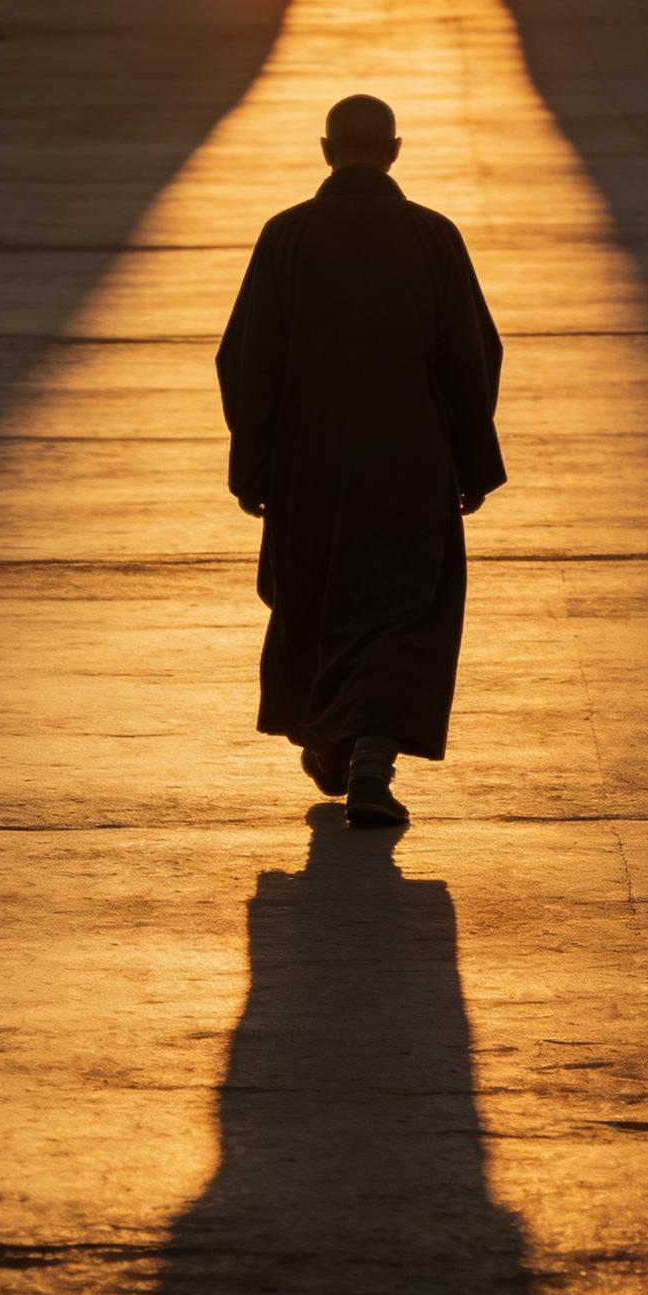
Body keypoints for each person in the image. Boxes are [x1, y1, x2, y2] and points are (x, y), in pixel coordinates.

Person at [216, 94, 506, 827]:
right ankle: (370, 755)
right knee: (402, 609)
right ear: (395, 151)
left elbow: (248, 360)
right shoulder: (433, 236)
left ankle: (334, 741)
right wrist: (472, 463)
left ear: (326, 150)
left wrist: (253, 466)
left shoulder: (286, 235)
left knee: (318, 601)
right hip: (411, 460)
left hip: (309, 463)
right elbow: (471, 357)